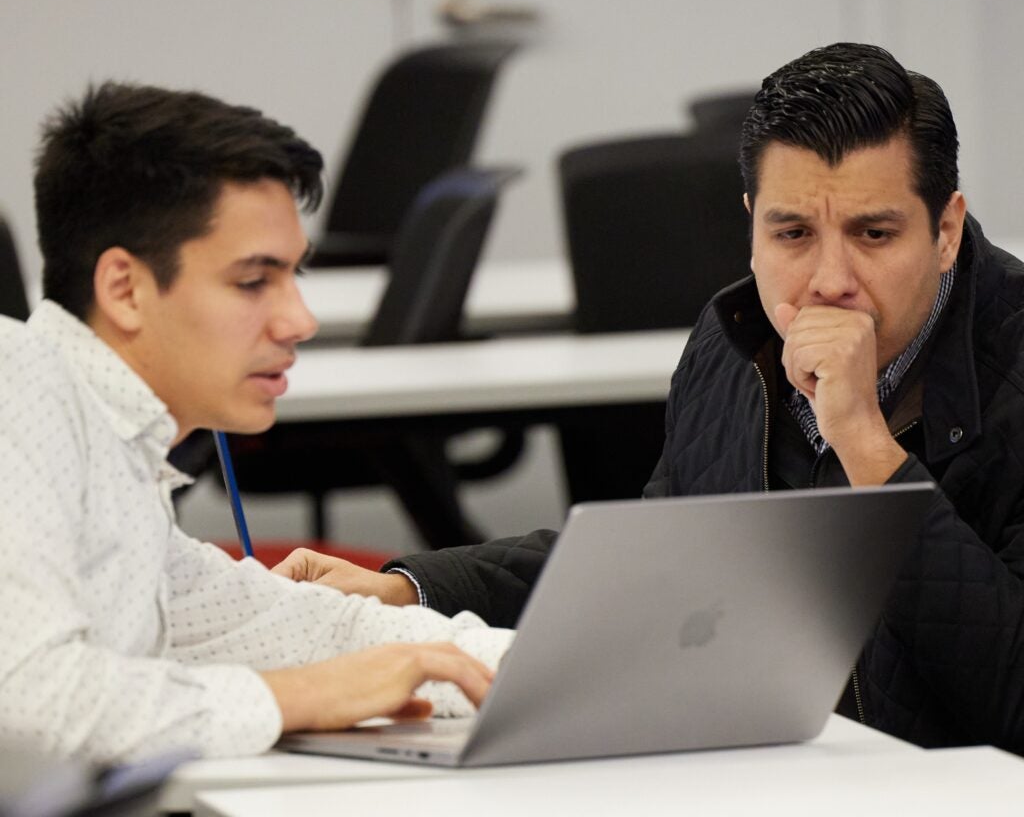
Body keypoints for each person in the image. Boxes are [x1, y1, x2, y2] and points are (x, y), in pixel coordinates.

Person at [281, 43, 1024, 753]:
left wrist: (866, 442)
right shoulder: (734, 342)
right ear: (752, 227)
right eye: (792, 233)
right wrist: (408, 589)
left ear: (946, 230)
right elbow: (655, 570)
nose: (830, 278)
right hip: (778, 776)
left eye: (873, 233)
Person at [0, 81, 513, 765]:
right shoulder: (18, 391)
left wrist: (538, 667)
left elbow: (294, 626)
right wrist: (297, 697)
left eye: (294, 275)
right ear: (124, 289)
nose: (299, 320)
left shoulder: (112, 449)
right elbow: (29, 707)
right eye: (252, 281)